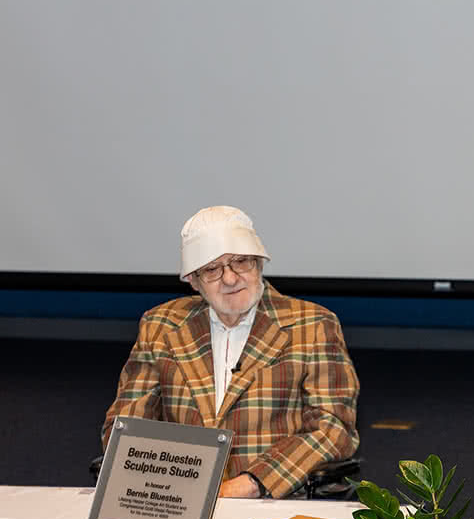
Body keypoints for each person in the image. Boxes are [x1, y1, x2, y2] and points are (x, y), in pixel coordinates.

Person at [102, 206, 360, 499]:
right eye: (212, 269)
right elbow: (125, 426)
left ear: (259, 263)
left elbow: (333, 428)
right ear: (194, 281)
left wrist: (252, 483)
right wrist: (168, 485)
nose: (230, 278)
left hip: (276, 502)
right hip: (176, 503)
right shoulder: (160, 326)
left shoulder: (312, 325)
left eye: (241, 262)